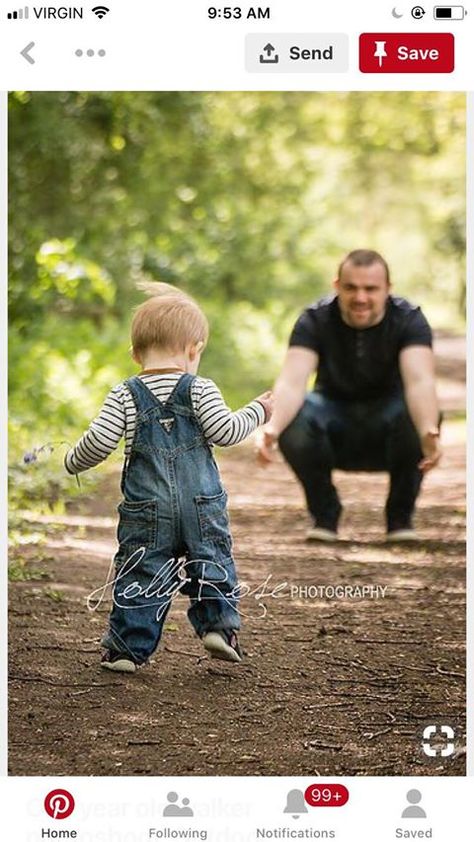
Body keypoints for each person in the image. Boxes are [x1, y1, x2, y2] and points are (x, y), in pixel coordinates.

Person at [65, 282, 273, 672]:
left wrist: (73, 461)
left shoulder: (124, 394)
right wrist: (258, 411)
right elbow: (226, 432)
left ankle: (127, 648)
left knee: (142, 569)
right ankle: (219, 628)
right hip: (202, 505)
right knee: (212, 560)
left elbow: (98, 442)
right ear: (194, 350)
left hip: (147, 510)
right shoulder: (201, 389)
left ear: (135, 354)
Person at [257, 249, 441, 542]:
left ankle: (400, 518)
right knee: (296, 416)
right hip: (333, 424)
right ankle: (325, 515)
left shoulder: (410, 319)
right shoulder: (314, 319)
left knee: (418, 414)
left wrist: (428, 432)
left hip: (390, 427)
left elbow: (420, 382)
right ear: (336, 285)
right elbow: (292, 382)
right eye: (351, 287)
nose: (360, 297)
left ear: (388, 290)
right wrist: (272, 428)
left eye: (371, 289)